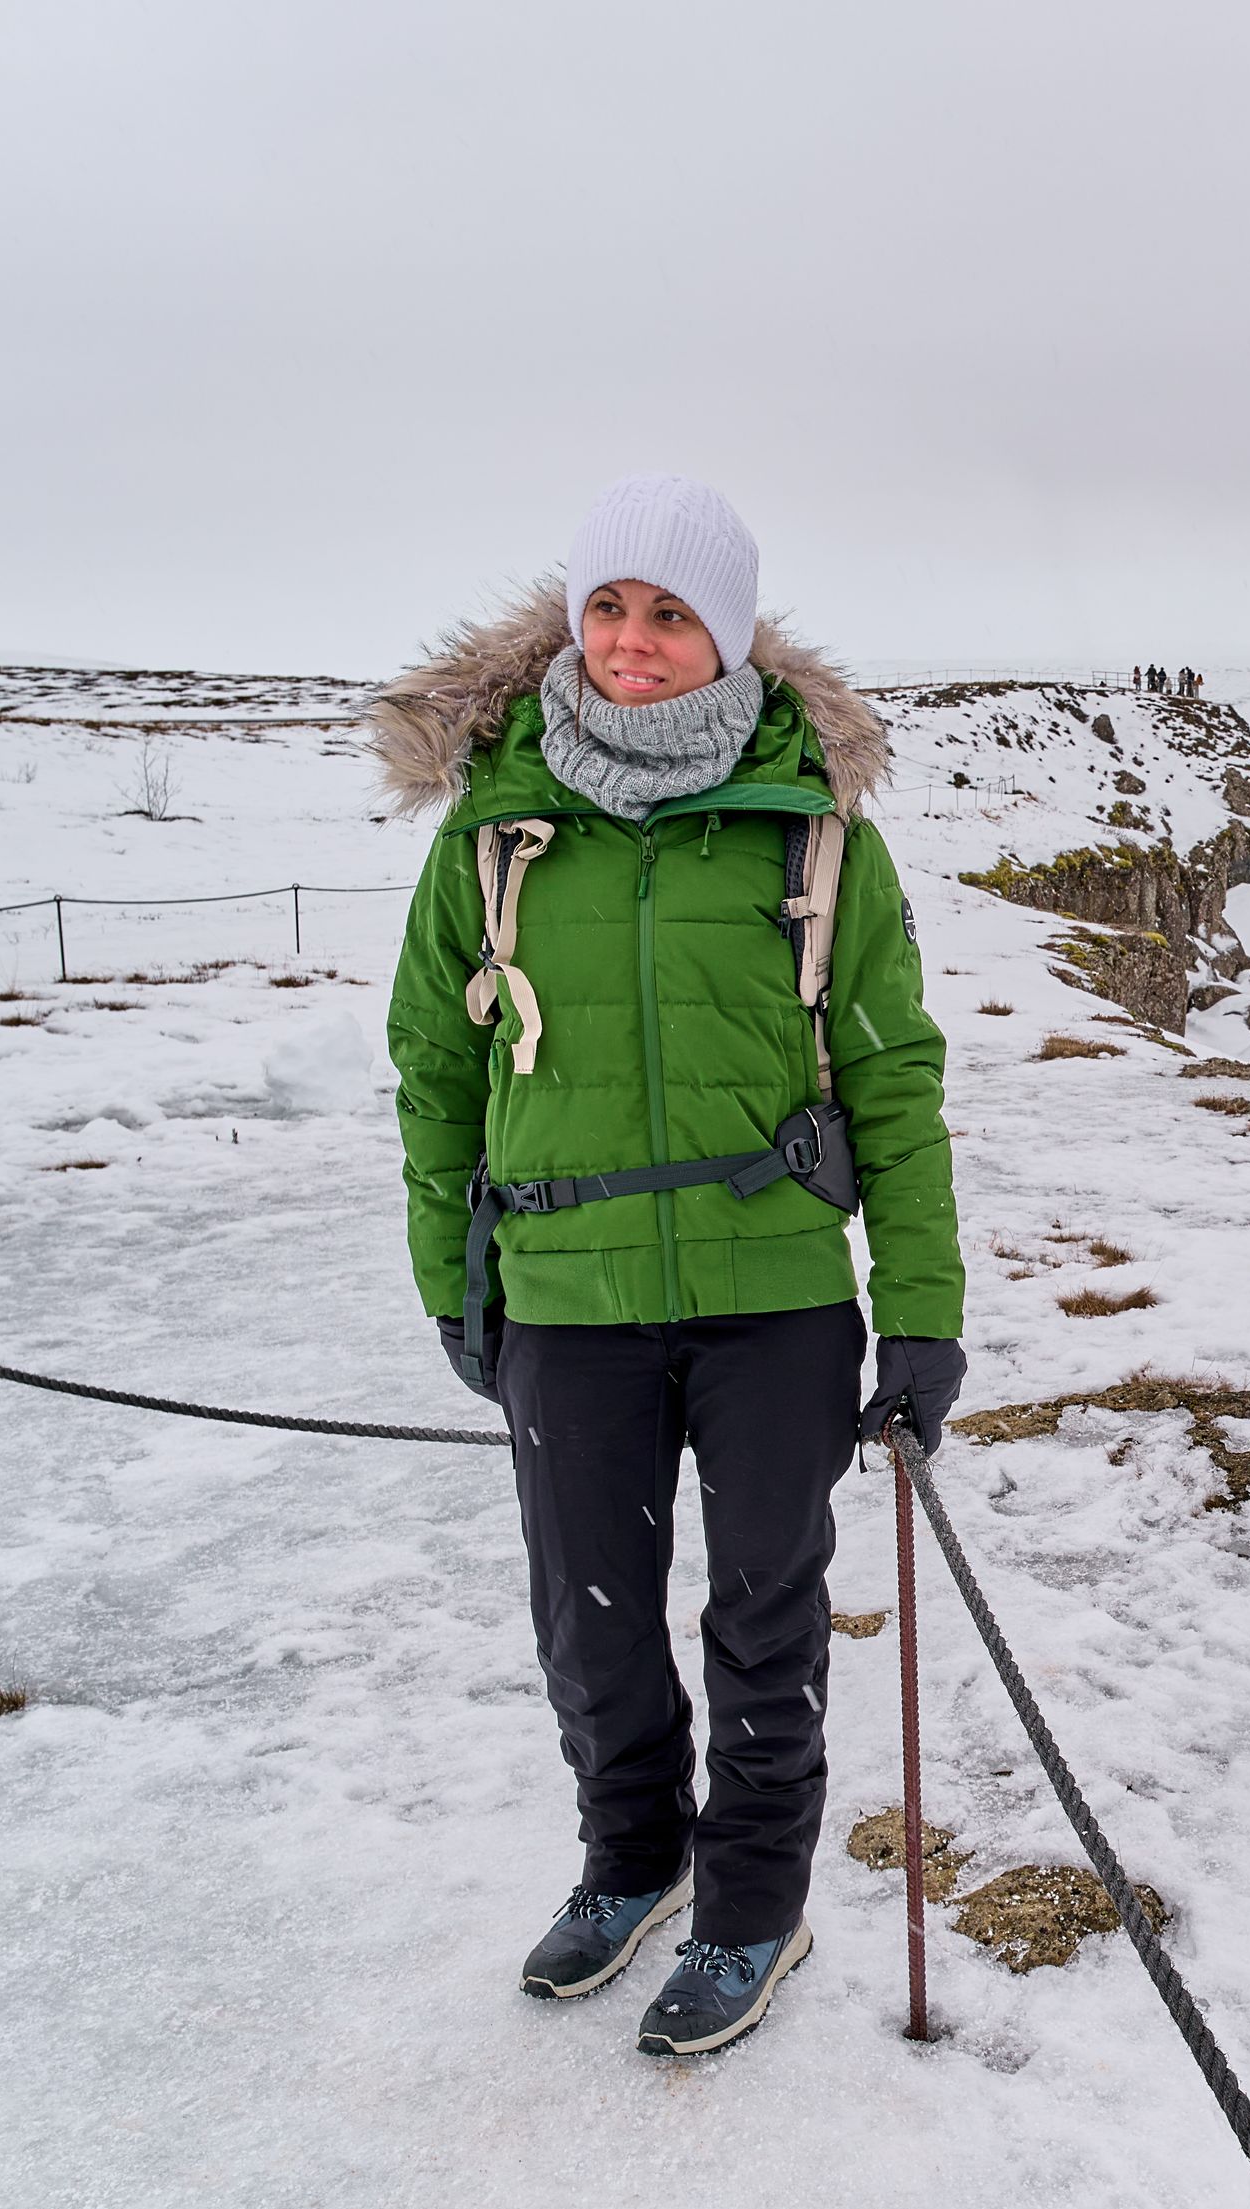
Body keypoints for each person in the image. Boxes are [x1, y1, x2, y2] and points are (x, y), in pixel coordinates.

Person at [369, 474, 968, 2058]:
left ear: (733, 634)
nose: (636, 641)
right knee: (593, 1620)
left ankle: (753, 1899)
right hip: (566, 1296)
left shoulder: (822, 833)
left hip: (773, 1294)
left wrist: (919, 1319)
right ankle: (630, 1861)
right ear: (576, 621)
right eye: (612, 606)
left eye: (674, 612)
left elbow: (893, 1082)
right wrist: (457, 1275)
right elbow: (436, 1063)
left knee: (768, 1612)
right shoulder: (496, 831)